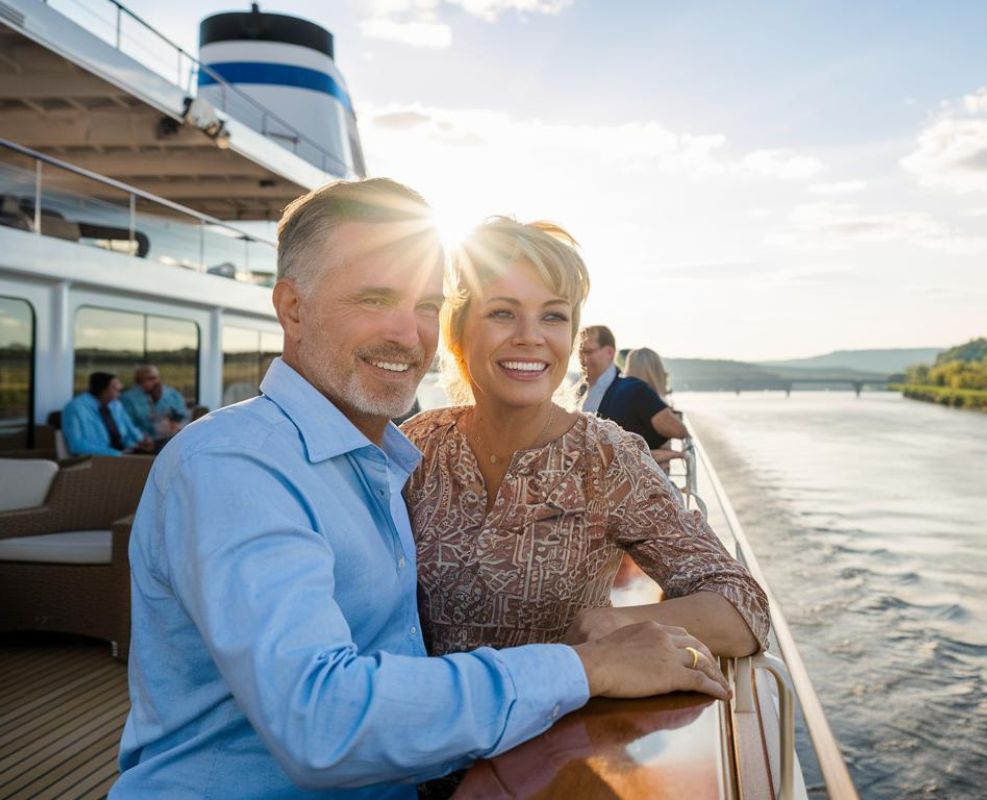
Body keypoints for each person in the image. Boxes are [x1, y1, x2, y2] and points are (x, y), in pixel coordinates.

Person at [113, 179, 730, 799]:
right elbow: (321, 722)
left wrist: (605, 632)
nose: (407, 336)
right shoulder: (236, 464)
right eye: (374, 299)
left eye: (424, 306)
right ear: (292, 308)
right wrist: (587, 667)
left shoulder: (378, 460)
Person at [402, 217, 769, 659]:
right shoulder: (419, 445)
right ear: (458, 331)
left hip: (566, 725)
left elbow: (744, 609)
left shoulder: (605, 459)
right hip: (430, 721)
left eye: (553, 316)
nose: (530, 337)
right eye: (502, 312)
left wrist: (617, 624)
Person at [578, 325, 690, 454]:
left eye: (588, 351)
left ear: (609, 352)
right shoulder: (579, 391)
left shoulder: (635, 390)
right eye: (580, 352)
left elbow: (678, 431)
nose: (582, 358)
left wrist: (674, 455)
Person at [62, 372, 154, 456]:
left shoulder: (115, 405)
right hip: (97, 460)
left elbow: (127, 432)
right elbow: (77, 445)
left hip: (122, 454)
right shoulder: (75, 408)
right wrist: (117, 454)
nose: (120, 390)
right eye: (115, 388)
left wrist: (137, 443)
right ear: (102, 390)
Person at [623, 347, 685, 466]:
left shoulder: (623, 396)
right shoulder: (646, 399)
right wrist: (676, 454)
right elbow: (680, 432)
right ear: (656, 371)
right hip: (646, 477)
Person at [120, 364, 188, 441]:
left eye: (155, 378)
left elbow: (183, 417)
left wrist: (175, 424)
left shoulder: (173, 395)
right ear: (138, 381)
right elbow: (127, 426)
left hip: (173, 439)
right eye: (149, 379)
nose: (155, 382)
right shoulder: (128, 399)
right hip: (143, 442)